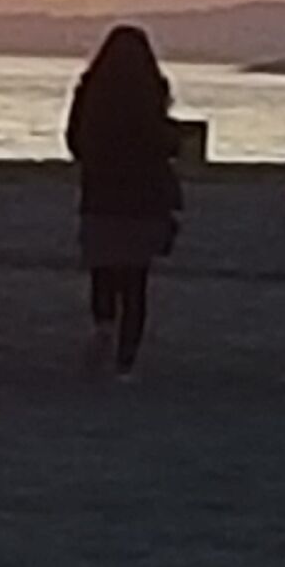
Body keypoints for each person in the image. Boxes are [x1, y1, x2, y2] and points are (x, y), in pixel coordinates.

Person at [64, 25, 183, 376]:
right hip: (144, 197)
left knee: (103, 270)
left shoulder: (91, 90)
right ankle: (125, 360)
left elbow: (74, 141)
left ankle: (103, 326)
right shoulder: (153, 91)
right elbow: (166, 143)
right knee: (136, 280)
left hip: (101, 193)